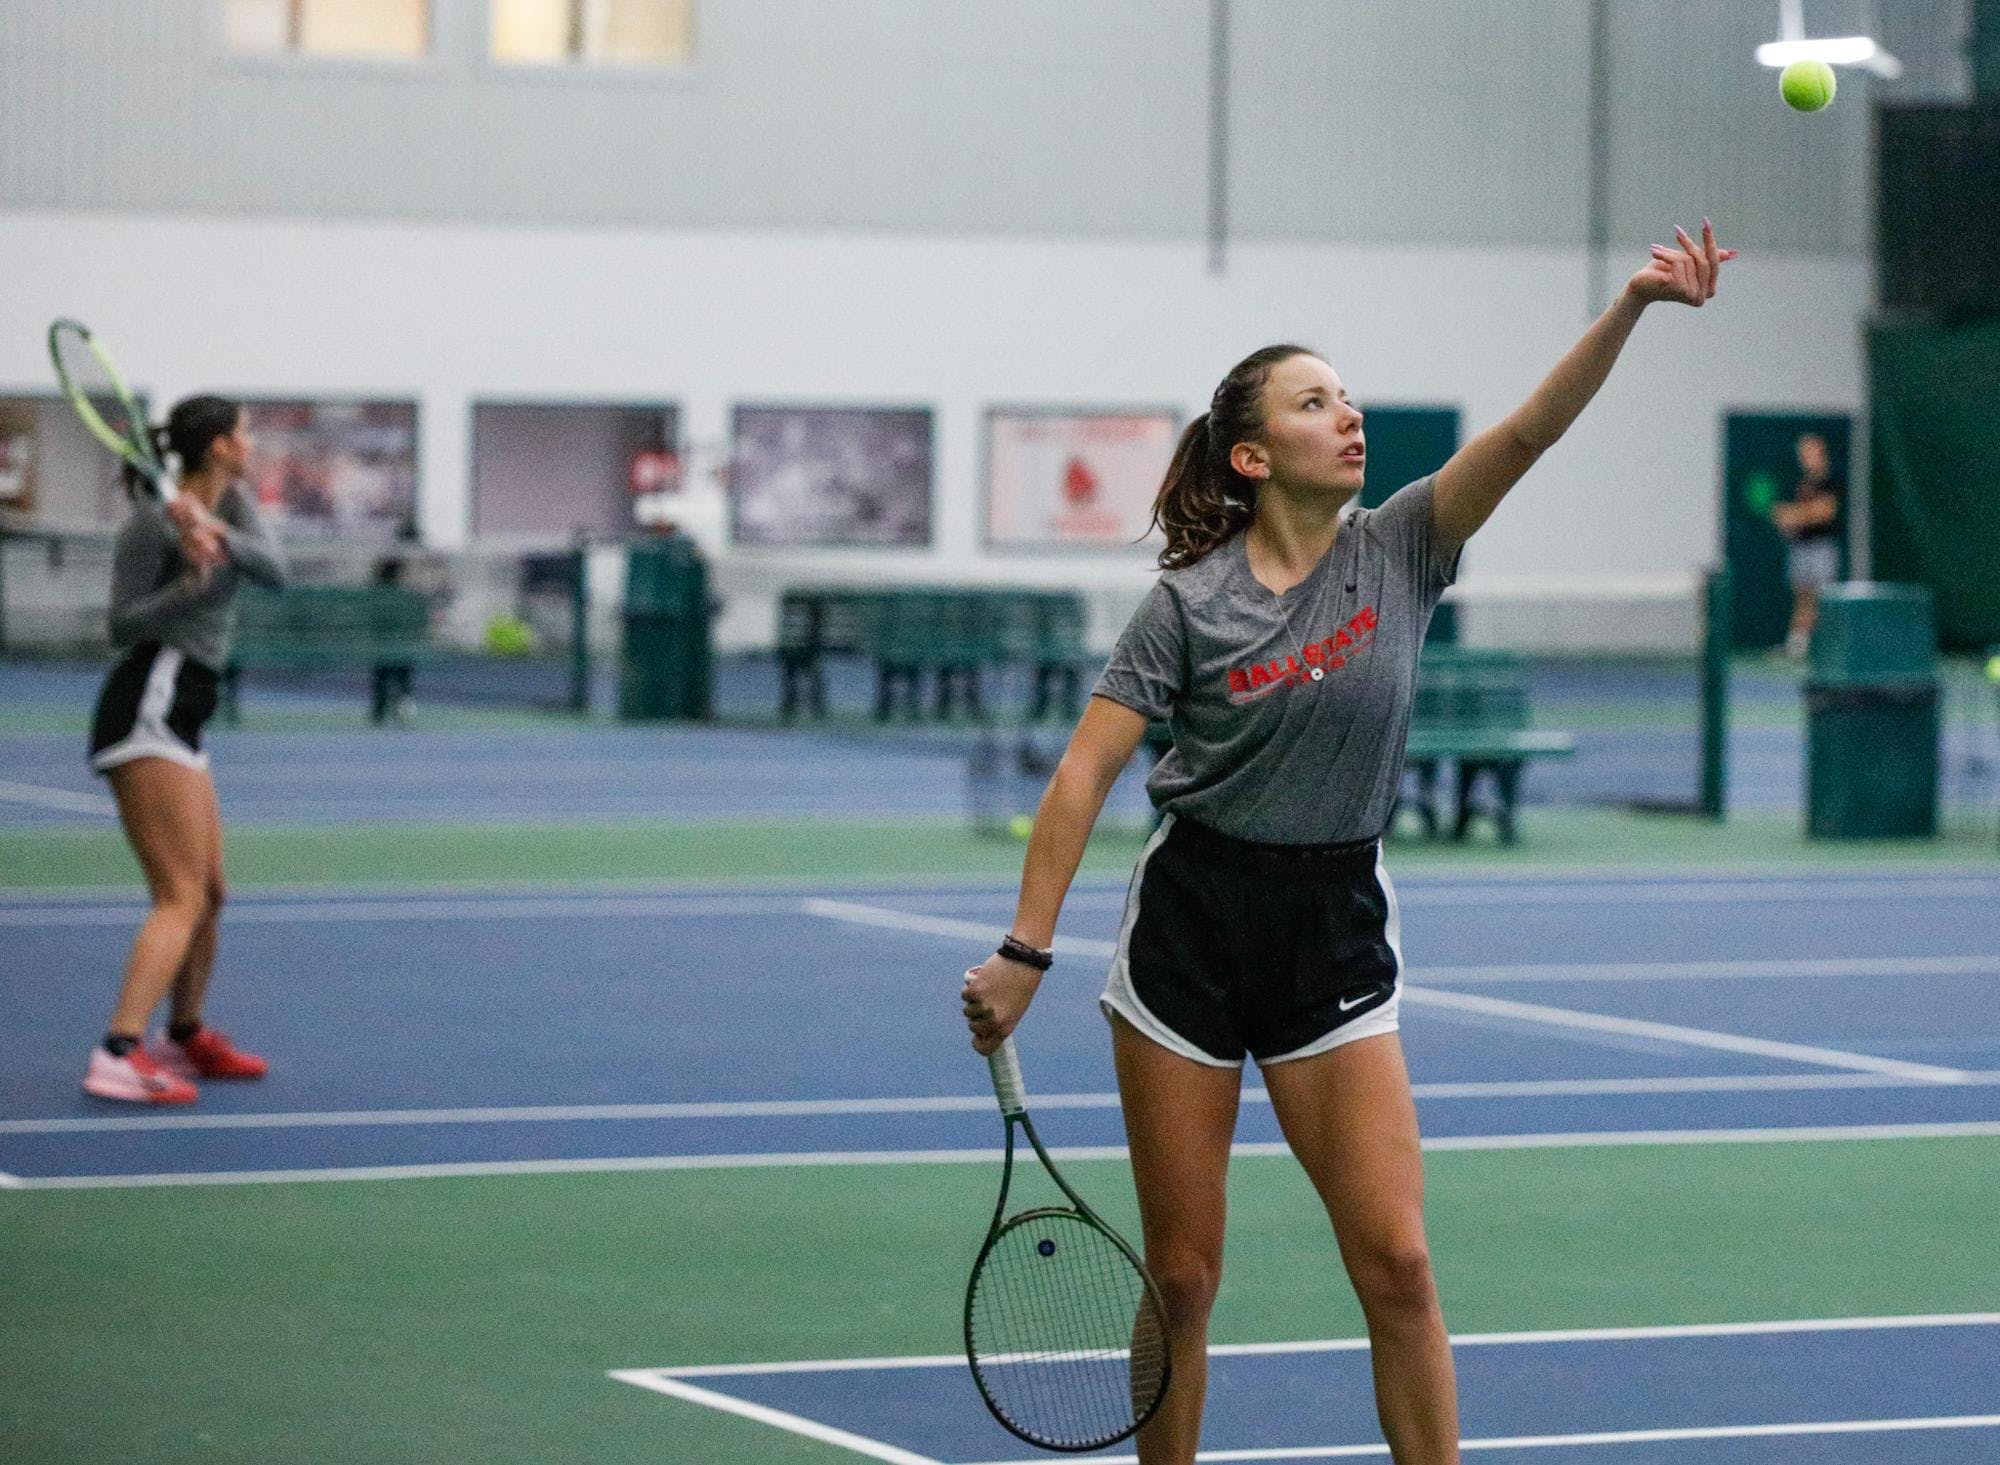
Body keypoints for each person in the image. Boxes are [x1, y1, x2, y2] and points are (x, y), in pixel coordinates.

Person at [961, 222, 1735, 1462]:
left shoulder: (1404, 545)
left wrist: (1632, 306)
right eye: (1315, 402)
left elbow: (1531, 431)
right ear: (1255, 453)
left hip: (1331, 924)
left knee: (1397, 1262)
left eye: (1350, 398)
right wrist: (1022, 949)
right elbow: (1083, 771)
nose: (1349, 417)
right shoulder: (1186, 603)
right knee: (1184, 1276)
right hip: (1191, 932)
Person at [83, 396, 288, 1104]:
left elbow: (276, 569)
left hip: (188, 708)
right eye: (245, 430)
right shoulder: (148, 523)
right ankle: (118, 1051)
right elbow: (121, 625)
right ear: (218, 444)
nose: (252, 439)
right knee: (180, 894)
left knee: (214, 892)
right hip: (148, 701)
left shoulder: (231, 501)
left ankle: (185, 1033)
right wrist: (187, 582)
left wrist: (218, 538)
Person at [1772, 431, 1842, 658]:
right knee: (1802, 597)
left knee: (1823, 598)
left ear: (1820, 452)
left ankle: (1831, 647)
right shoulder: (1803, 482)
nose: (1804, 456)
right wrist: (1788, 522)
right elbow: (1805, 516)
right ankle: (1797, 646)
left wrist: (1794, 514)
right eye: (1802, 452)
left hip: (1822, 549)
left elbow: (1826, 512)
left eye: (1808, 451)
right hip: (1801, 547)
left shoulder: (1830, 479)